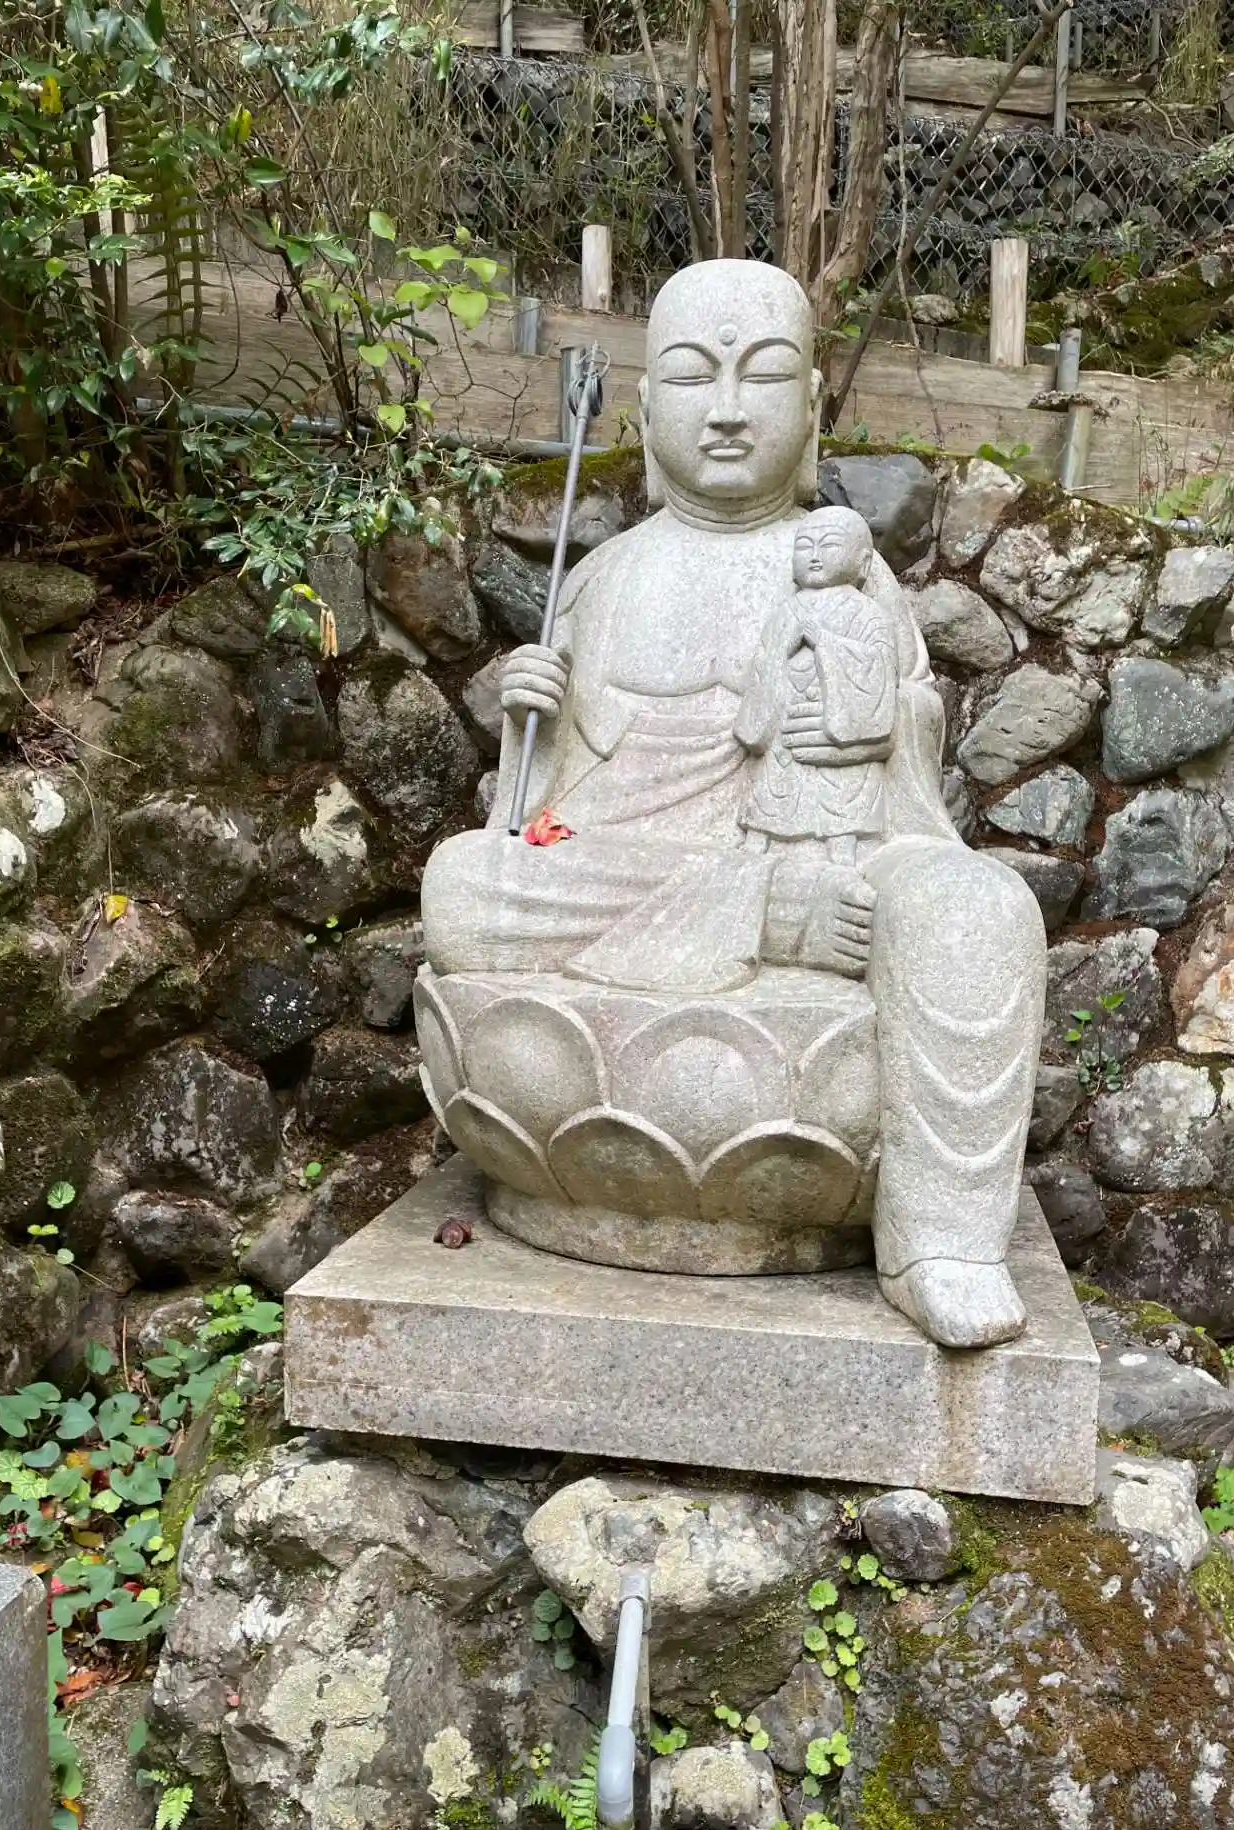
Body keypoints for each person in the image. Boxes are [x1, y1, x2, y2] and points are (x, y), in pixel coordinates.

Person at [420, 259, 1046, 1349]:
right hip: (647, 871)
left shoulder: (849, 578)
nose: (723, 410)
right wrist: (535, 723)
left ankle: (940, 1241)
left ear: (809, 406)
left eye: (759, 376)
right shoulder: (600, 578)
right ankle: (771, 919)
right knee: (464, 886)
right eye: (689, 377)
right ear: (643, 404)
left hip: (828, 845)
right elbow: (548, 822)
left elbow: (903, 786)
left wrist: (865, 717)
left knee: (977, 909)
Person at [736, 506, 898, 865]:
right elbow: (763, 663)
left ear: (863, 563)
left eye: (829, 545)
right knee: (774, 790)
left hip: (833, 731)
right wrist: (779, 655)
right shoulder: (785, 612)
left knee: (841, 796)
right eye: (804, 546)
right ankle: (755, 846)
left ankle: (843, 854)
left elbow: (880, 667)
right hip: (785, 725)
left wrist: (826, 642)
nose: (814, 555)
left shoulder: (867, 613)